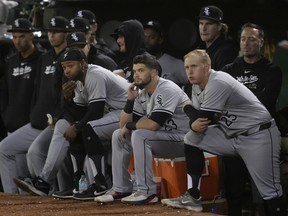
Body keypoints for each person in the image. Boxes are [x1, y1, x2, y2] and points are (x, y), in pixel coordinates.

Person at [161, 49, 287, 215]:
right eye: (186, 67)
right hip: (232, 136)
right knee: (191, 139)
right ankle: (193, 197)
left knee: (270, 192)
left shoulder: (218, 81)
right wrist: (190, 112)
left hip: (258, 135)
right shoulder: (197, 86)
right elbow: (197, 122)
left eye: (194, 66)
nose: (189, 71)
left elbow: (203, 119)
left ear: (207, 67)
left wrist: (186, 107)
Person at [13, 47, 130, 197]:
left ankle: (100, 185)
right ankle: (62, 183)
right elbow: (78, 113)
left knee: (87, 128)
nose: (67, 71)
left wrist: (77, 127)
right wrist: (67, 100)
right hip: (112, 114)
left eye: (71, 65)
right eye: (64, 67)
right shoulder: (79, 82)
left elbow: (95, 111)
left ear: (83, 63)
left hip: (130, 112)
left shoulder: (94, 75)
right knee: (67, 125)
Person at [94, 53, 190, 205]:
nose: (136, 75)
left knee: (140, 135)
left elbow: (153, 124)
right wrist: (130, 101)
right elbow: (123, 126)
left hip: (183, 140)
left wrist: (130, 126)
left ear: (153, 72)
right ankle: (121, 188)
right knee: (117, 134)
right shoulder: (142, 93)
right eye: (134, 71)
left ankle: (147, 192)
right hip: (163, 137)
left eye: (141, 70)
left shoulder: (167, 88)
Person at [0, 16, 70, 194]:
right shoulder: (45, 58)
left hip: (56, 123)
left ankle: (50, 196)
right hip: (36, 122)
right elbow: (37, 92)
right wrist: (33, 114)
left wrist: (58, 116)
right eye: (50, 32)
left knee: (34, 153)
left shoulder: (69, 57)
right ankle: (13, 199)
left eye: (56, 32)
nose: (52, 35)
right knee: (5, 149)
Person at [221, 22, 283, 216]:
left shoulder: (272, 71)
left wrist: (236, 98)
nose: (246, 43)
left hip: (261, 137)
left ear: (261, 42)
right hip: (234, 136)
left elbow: (266, 101)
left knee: (267, 193)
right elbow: (222, 101)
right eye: (243, 39)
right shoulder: (228, 70)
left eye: (252, 39)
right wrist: (253, 95)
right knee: (233, 191)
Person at [0, 18, 43, 134]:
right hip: (11, 125)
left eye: (21, 37)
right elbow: (4, 90)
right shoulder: (11, 61)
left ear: (31, 36)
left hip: (32, 126)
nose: (17, 42)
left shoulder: (42, 59)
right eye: (14, 37)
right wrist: (6, 115)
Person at [143, 20, 188, 88]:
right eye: (144, 37)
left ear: (160, 40)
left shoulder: (176, 64)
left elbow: (194, 86)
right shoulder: (136, 64)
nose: (146, 41)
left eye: (151, 37)